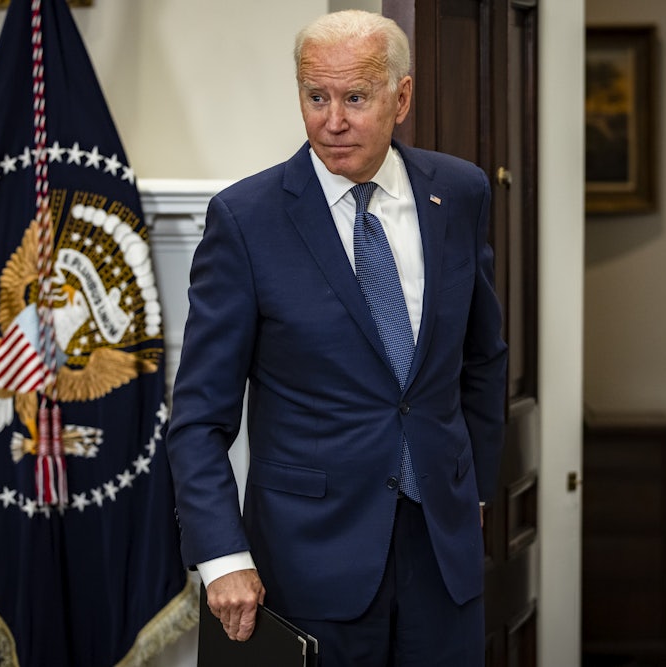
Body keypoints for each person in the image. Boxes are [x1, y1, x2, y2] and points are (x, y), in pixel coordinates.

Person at [165, 9, 507, 666]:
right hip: (307, 562)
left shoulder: (460, 193)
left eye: (355, 97)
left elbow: (483, 359)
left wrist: (478, 488)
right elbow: (199, 417)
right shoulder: (245, 219)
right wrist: (222, 555)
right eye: (315, 96)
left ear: (401, 98)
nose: (332, 121)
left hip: (443, 555)